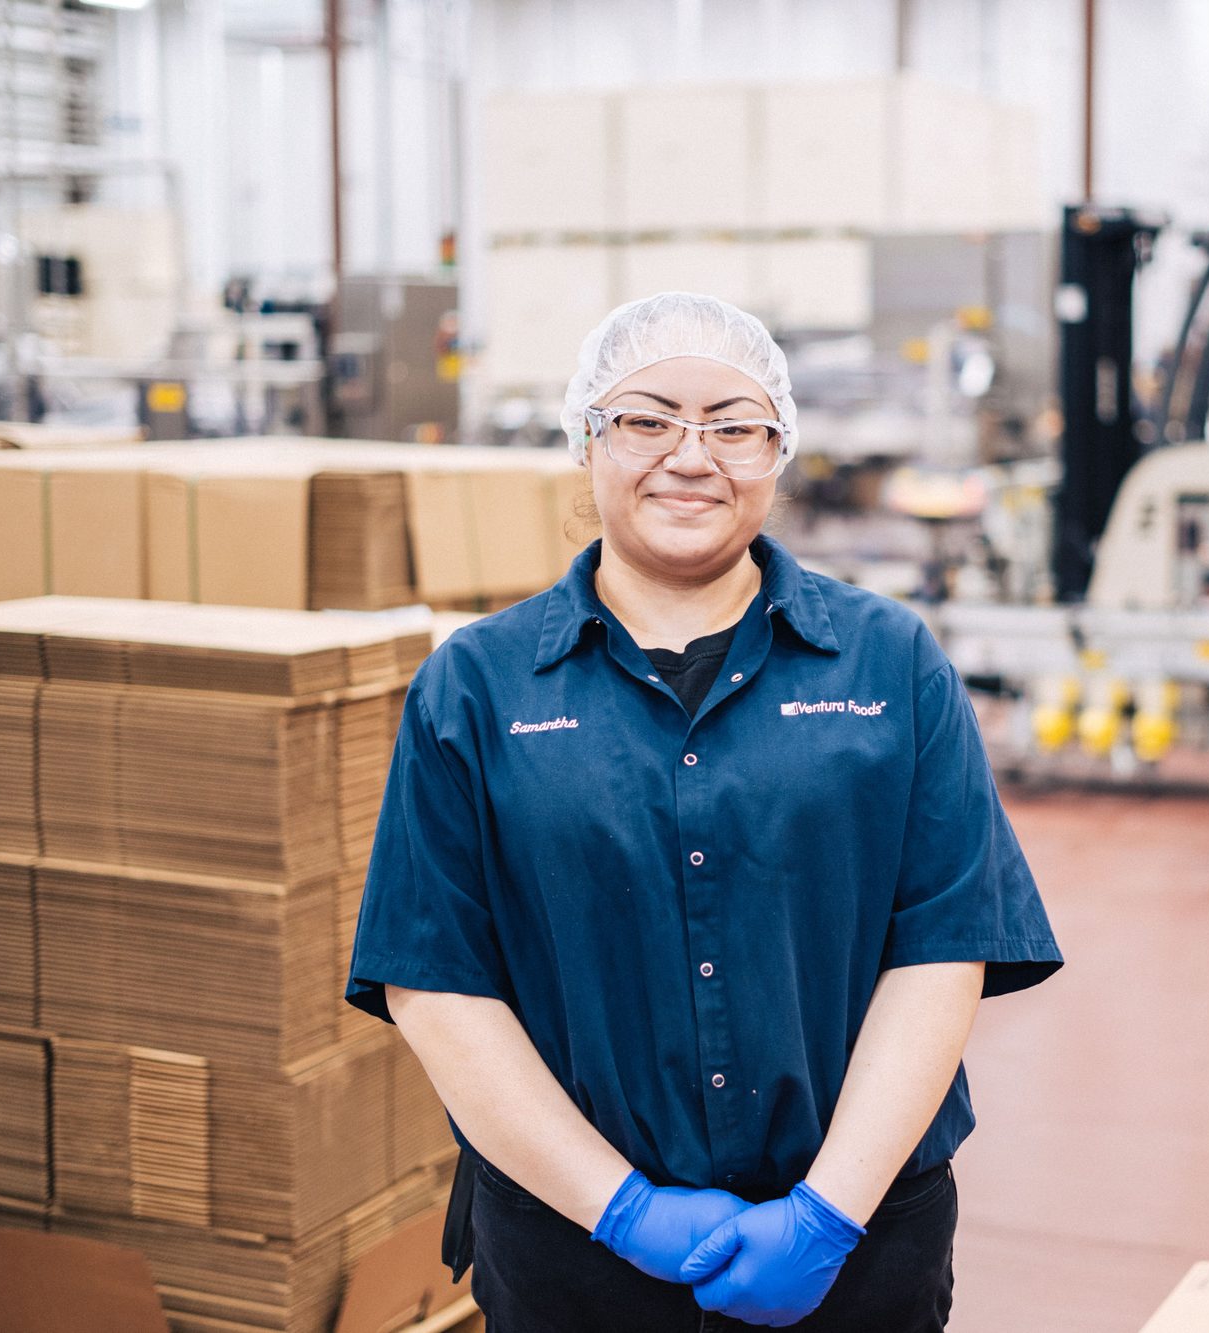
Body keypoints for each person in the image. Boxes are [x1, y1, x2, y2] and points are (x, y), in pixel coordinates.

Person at [346, 292, 1062, 1331]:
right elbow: (434, 982)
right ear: (585, 437)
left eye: (734, 425)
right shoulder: (476, 687)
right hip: (575, 1256)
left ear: (778, 452)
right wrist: (621, 1208)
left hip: (856, 1249)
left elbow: (940, 950)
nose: (691, 456)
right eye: (646, 419)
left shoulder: (888, 662)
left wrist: (825, 1214)